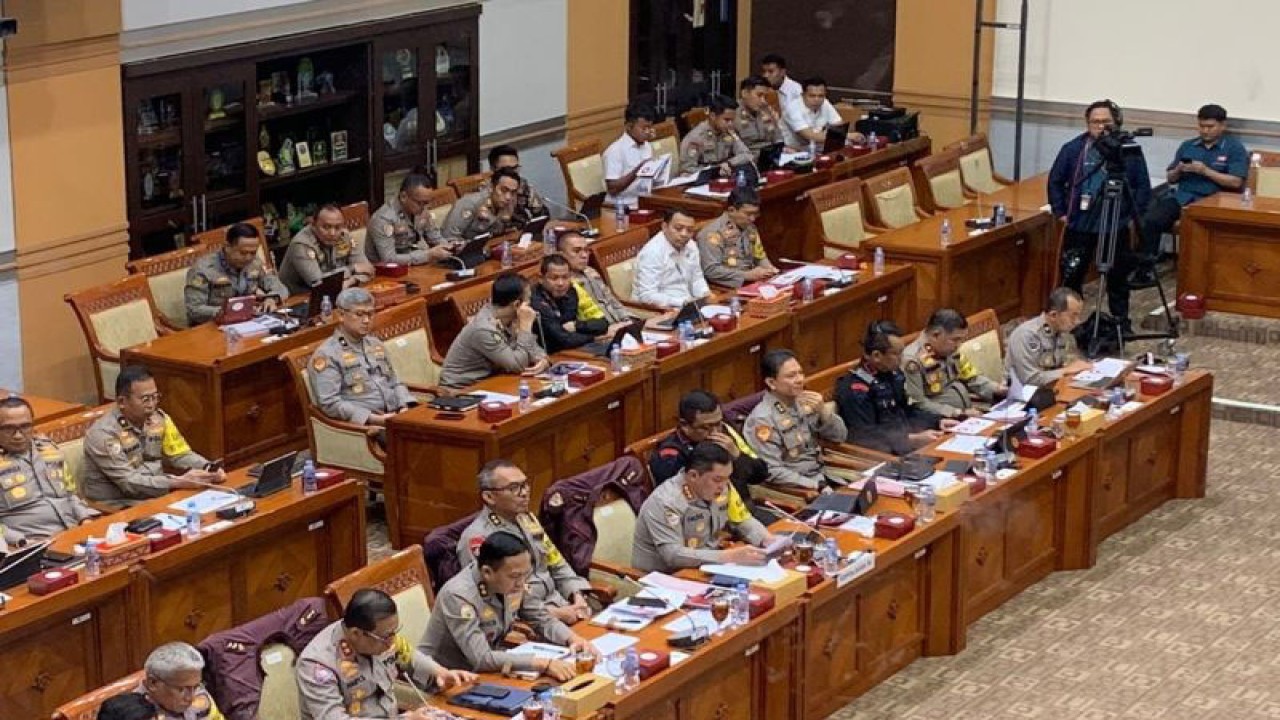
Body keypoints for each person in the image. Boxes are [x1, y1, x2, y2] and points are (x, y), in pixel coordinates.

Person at [419, 531, 597, 681]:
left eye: (525, 575)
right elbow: (481, 658)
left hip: (487, 672)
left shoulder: (512, 582)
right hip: (444, 680)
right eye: (515, 576)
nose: (521, 583)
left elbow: (541, 618)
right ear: (487, 572)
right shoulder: (459, 596)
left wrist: (572, 639)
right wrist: (542, 663)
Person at [1047, 100, 1152, 330]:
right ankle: (1068, 323)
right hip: (1080, 224)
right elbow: (1055, 181)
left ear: (1116, 123)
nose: (1101, 126)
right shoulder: (1073, 149)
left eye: (1106, 121)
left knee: (1117, 279)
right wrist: (1061, 212)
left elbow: (1143, 186)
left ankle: (1121, 323)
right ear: (1087, 124)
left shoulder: (1129, 150)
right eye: (1095, 122)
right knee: (1072, 275)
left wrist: (1134, 217)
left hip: (1115, 225)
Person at [297, 588, 475, 720]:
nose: (392, 641)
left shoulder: (380, 638)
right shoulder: (317, 665)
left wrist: (440, 672)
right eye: (386, 637)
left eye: (394, 632)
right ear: (356, 634)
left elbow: (407, 653)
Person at [456, 460, 593, 624]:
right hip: (529, 622)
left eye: (525, 484)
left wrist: (577, 596)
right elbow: (495, 602)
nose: (524, 493)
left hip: (563, 605)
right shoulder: (478, 539)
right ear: (489, 497)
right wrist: (557, 614)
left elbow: (556, 563)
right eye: (514, 488)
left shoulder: (527, 519)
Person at [1135, 103, 1248, 284]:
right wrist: (1179, 169)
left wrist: (1206, 171)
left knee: (1202, 228)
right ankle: (1144, 270)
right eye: (1201, 126)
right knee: (1151, 219)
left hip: (1214, 200)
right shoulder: (1188, 146)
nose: (1205, 131)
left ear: (1222, 126)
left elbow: (1236, 181)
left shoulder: (1234, 148)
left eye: (1210, 127)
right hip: (1183, 197)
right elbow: (1171, 178)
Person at [83, 365, 221, 507]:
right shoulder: (103, 434)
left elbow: (179, 455)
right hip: (118, 504)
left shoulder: (159, 419)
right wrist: (177, 482)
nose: (152, 404)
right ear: (122, 402)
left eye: (155, 397)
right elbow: (128, 482)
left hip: (156, 496)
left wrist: (207, 468)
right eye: (145, 399)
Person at [632, 441, 780, 573]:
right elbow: (673, 555)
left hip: (708, 567)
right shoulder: (666, 502)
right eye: (717, 479)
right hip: (664, 577)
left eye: (727, 478)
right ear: (693, 476)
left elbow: (740, 520)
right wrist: (727, 556)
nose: (724, 486)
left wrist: (766, 539)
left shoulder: (722, 488)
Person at [836, 320, 959, 456]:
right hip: (882, 456)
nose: (902, 359)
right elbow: (864, 436)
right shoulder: (854, 389)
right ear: (877, 356)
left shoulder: (892, 375)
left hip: (908, 445)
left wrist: (938, 421)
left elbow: (906, 410)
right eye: (897, 354)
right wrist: (912, 440)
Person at [648, 389, 770, 521]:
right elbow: (682, 504)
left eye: (718, 423)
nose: (715, 432)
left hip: (746, 513)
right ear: (685, 425)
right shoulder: (670, 456)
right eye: (706, 427)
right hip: (708, 523)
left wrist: (737, 455)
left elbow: (760, 475)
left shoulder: (725, 432)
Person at [310, 288, 415, 429]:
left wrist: (405, 406)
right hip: (367, 426)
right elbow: (329, 403)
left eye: (370, 314)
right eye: (359, 314)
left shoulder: (375, 344)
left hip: (396, 417)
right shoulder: (327, 354)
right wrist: (372, 419)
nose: (366, 320)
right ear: (341, 315)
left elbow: (395, 381)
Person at [743, 349, 849, 490]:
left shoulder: (805, 401)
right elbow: (772, 470)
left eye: (801, 373)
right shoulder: (762, 420)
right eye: (791, 376)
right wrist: (816, 486)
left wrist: (823, 412)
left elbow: (840, 437)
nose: (800, 380)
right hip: (800, 488)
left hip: (827, 473)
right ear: (771, 382)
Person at [0, 396, 97, 546]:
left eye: (25, 427)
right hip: (31, 544)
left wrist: (85, 519)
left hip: (74, 532)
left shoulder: (49, 450)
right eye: (9, 429)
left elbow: (70, 494)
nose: (18, 435)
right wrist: (20, 541)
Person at [439, 272, 549, 389]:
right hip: (460, 391)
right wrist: (526, 327)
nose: (531, 306)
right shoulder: (483, 329)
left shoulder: (509, 318)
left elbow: (534, 351)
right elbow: (518, 365)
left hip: (491, 383)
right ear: (517, 304)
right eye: (528, 301)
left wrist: (543, 360)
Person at [902, 308, 1005, 419]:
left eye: (961, 340)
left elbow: (970, 377)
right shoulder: (912, 360)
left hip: (968, 413)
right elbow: (918, 403)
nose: (959, 345)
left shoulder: (949, 349)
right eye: (955, 339)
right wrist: (956, 412)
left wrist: (996, 388)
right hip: (941, 421)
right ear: (936, 335)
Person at [184, 222, 288, 326]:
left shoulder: (254, 262)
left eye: (253, 253)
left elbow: (280, 287)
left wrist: (271, 299)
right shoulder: (203, 270)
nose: (248, 258)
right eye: (243, 253)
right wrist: (227, 311)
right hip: (212, 326)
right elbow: (194, 309)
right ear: (227, 247)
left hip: (248, 321)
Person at [530, 253, 625, 353]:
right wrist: (595, 337)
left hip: (578, 345)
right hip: (552, 354)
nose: (561, 283)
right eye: (554, 278)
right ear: (541, 279)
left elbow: (602, 323)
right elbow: (563, 339)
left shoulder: (572, 291)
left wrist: (576, 325)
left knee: (620, 349)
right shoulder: (536, 302)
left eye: (565, 277)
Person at [278, 203, 374, 295]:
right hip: (300, 299)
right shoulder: (301, 244)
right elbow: (319, 284)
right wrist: (352, 268)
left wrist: (350, 282)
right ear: (313, 224)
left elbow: (368, 270)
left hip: (337, 292)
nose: (332, 233)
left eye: (337, 227)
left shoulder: (344, 236)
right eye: (326, 227)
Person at [1006, 287, 1092, 388]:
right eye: (1073, 316)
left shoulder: (1064, 332)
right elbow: (1029, 380)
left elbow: (1070, 362)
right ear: (1053, 315)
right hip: (1024, 394)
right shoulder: (1027, 335)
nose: (1077, 321)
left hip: (1053, 387)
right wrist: (1065, 371)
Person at [696, 187, 778, 288]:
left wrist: (770, 269)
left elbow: (759, 256)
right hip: (725, 286)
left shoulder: (750, 228)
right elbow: (711, 270)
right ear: (731, 210)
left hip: (752, 280)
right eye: (748, 214)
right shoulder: (711, 234)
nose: (753, 219)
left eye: (755, 213)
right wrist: (747, 275)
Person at [366, 173, 451, 265]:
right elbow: (389, 259)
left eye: (426, 203)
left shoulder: (421, 210)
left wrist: (448, 247)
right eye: (419, 203)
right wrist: (427, 255)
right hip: (386, 272)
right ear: (403, 197)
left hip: (414, 264)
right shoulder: (383, 219)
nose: (423, 207)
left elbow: (434, 236)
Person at [633, 209, 711, 308]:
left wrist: (705, 294)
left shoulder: (691, 245)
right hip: (659, 309)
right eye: (678, 228)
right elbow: (647, 296)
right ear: (664, 227)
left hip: (688, 304)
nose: (684, 234)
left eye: (689, 230)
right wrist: (681, 302)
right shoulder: (652, 252)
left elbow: (696, 278)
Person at [556, 230, 634, 325]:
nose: (584, 255)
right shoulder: (562, 285)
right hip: (601, 332)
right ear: (561, 255)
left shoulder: (591, 272)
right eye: (576, 251)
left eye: (586, 250)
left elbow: (612, 301)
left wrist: (628, 320)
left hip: (620, 325)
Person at [137, 642, 225, 719]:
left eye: (196, 687)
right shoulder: (134, 714)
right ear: (153, 683)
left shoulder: (199, 694)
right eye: (181, 689)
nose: (191, 697)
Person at [442, 166, 521, 243]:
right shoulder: (470, 203)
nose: (508, 197)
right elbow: (448, 237)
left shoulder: (509, 203)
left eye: (513, 192)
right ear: (491, 187)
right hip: (466, 251)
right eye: (503, 190)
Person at [678, 94, 753, 176]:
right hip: (705, 181)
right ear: (713, 116)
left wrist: (728, 163)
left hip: (726, 175)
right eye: (727, 120)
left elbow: (747, 154)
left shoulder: (729, 132)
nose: (730, 124)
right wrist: (715, 171)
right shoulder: (695, 138)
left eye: (732, 120)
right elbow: (687, 170)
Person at [781, 77, 862, 150]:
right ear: (803, 95)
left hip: (817, 147)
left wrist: (849, 136)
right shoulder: (792, 108)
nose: (817, 99)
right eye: (812, 96)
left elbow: (838, 126)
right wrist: (847, 136)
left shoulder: (824, 103)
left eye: (821, 96)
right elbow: (810, 135)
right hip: (794, 149)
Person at [603, 103, 658, 209]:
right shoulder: (615, 151)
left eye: (650, 127)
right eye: (644, 128)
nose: (648, 132)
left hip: (645, 201)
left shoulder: (647, 146)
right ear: (629, 126)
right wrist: (637, 171)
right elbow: (613, 189)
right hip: (623, 207)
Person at [486, 144, 548, 227]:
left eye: (515, 168)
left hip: (523, 231)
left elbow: (541, 214)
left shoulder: (522, 185)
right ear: (493, 169)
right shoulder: (485, 191)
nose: (513, 173)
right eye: (507, 169)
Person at [735, 75, 784, 153]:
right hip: (749, 159)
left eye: (765, 96)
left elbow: (778, 137)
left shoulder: (766, 110)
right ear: (744, 93)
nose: (763, 101)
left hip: (771, 156)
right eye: (759, 95)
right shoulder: (733, 115)